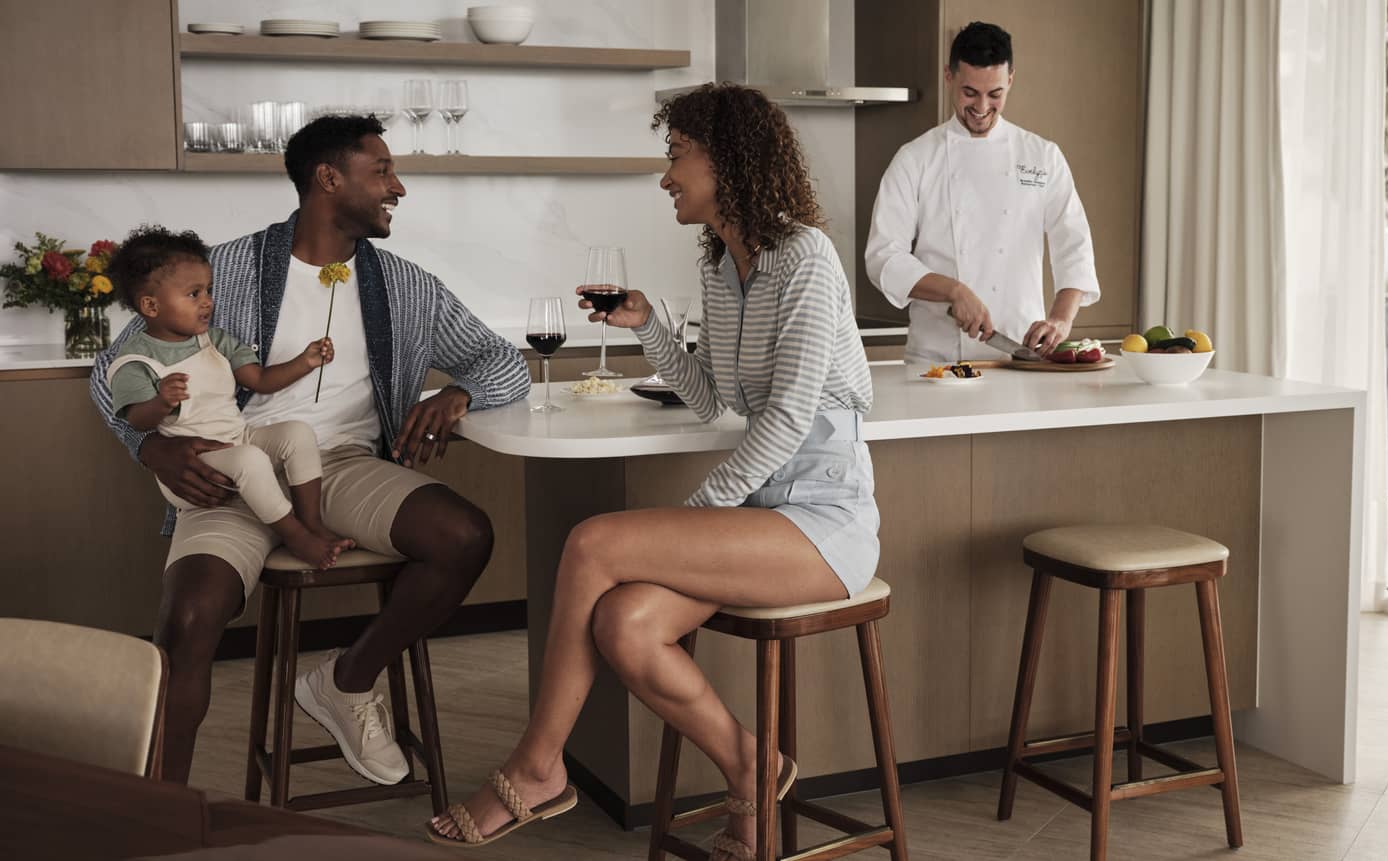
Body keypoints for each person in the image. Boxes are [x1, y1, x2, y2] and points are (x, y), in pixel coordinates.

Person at [427, 83, 877, 858]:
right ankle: (752, 764)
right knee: (623, 624)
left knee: (593, 542)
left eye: (677, 155)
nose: (666, 176)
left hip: (824, 522)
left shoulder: (806, 258)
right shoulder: (722, 266)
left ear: (728, 160)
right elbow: (712, 399)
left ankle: (536, 767)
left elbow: (788, 417)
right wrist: (649, 327)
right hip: (760, 518)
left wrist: (698, 516)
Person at [88, 114, 532, 786]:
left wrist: (460, 392)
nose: (398, 188)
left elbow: (502, 360)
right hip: (228, 469)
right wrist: (147, 444)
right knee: (190, 615)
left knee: (463, 534)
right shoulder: (221, 271)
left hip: (343, 468)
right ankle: (160, 810)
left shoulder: (408, 287)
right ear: (329, 179)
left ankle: (346, 682)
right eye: (381, 171)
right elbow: (111, 370)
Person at [105, 225, 353, 571]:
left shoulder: (216, 341)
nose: (207, 301)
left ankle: (312, 522)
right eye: (193, 294)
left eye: (208, 290)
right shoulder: (135, 360)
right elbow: (135, 419)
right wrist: (161, 402)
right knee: (250, 460)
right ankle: (295, 536)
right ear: (151, 305)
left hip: (237, 438)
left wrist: (305, 362)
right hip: (197, 462)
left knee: (297, 433)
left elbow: (261, 380)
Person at [864, 20, 1102, 365]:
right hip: (939, 361)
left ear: (1011, 80)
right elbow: (883, 256)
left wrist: (1060, 320)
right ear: (949, 77)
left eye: (995, 94)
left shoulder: (1041, 156)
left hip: (1020, 356)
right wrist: (954, 290)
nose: (981, 107)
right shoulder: (915, 158)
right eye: (970, 92)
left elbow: (1074, 245)